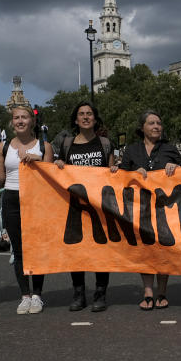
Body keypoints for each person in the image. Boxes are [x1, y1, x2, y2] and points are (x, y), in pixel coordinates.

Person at [0, 103, 53, 314]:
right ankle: (24, 295)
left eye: (24, 117)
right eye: (16, 118)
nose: (20, 121)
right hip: (11, 197)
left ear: (32, 121)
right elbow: (1, 179)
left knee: (37, 248)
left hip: (36, 199)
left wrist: (39, 160)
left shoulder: (44, 146)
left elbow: (52, 177)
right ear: (12, 122)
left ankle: (38, 296)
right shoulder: (2, 147)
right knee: (19, 248)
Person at [54, 102, 116, 312]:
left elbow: (111, 172)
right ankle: (79, 293)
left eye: (90, 114)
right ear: (75, 120)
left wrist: (115, 169)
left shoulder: (105, 143)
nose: (86, 117)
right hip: (75, 206)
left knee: (100, 251)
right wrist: (58, 166)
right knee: (77, 251)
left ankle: (100, 293)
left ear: (95, 119)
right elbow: (58, 173)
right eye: (81, 114)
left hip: (99, 206)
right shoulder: (67, 144)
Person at [121, 110, 181, 310]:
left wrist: (177, 168)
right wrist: (132, 173)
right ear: (142, 127)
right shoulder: (131, 150)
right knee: (145, 250)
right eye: (151, 123)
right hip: (141, 208)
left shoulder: (170, 149)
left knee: (163, 250)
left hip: (166, 209)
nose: (156, 126)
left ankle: (162, 291)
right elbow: (120, 177)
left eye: (158, 123)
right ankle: (148, 291)